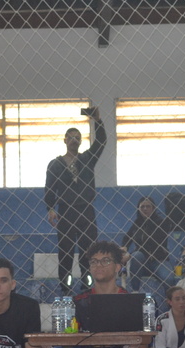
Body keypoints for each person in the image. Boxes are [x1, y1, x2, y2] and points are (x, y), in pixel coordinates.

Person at [44, 107, 106, 293]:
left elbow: (101, 141)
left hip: (86, 210)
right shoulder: (55, 164)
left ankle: (88, 285)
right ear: (64, 140)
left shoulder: (87, 158)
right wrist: (50, 208)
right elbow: (49, 188)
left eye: (77, 137)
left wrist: (97, 121)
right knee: (66, 251)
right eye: (70, 137)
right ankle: (66, 288)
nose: (74, 140)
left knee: (89, 249)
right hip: (66, 210)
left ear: (81, 140)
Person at [73, 241, 134, 348]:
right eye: (94, 261)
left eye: (105, 261)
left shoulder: (130, 301)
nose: (98, 265)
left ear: (117, 267)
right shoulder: (80, 301)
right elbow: (67, 343)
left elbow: (142, 343)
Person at [120, 197, 171, 293]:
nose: (145, 209)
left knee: (168, 279)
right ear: (138, 209)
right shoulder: (137, 223)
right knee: (137, 256)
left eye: (148, 206)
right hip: (142, 262)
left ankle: (170, 300)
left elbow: (152, 244)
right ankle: (135, 291)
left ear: (153, 208)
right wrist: (124, 247)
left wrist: (129, 255)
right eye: (142, 207)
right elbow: (127, 237)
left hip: (158, 260)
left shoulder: (161, 222)